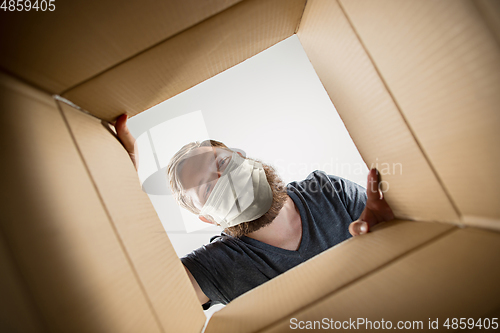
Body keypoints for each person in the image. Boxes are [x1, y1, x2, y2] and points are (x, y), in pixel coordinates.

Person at [112, 114, 394, 309]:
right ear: (209, 219)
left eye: (221, 163)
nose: (225, 180)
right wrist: (122, 187)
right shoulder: (220, 265)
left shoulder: (326, 191)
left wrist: (396, 228)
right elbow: (151, 296)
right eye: (207, 190)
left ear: (243, 157)